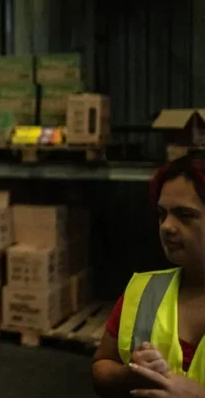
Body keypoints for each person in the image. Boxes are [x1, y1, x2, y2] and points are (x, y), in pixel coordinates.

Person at [92, 154, 205, 398]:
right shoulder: (144, 291)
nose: (166, 226)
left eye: (184, 214)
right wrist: (129, 374)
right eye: (162, 214)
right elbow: (101, 368)